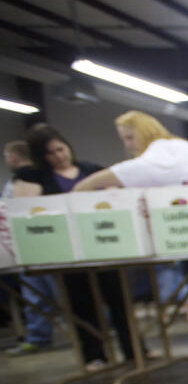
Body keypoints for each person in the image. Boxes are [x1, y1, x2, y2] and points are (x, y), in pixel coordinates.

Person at [75, 110, 188, 365]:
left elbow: (134, 171)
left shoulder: (164, 152)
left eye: (130, 137)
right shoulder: (178, 147)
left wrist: (82, 188)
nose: (129, 145)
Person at [12, 124, 140, 370]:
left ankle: (134, 349)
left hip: (106, 248)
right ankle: (94, 355)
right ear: (42, 156)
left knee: (120, 300)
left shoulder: (92, 170)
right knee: (81, 304)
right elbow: (26, 209)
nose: (59, 156)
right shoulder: (33, 177)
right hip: (67, 254)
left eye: (61, 149)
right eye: (51, 153)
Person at [3, 140, 60, 356]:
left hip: (36, 244)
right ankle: (38, 337)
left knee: (40, 295)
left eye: (6, 155)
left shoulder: (25, 178)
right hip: (35, 246)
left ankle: (39, 338)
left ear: (14, 156)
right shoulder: (42, 176)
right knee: (40, 294)